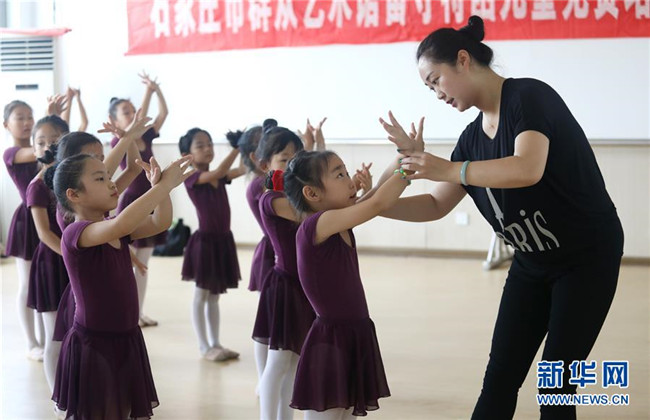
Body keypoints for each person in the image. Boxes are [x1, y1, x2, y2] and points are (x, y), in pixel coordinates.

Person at [378, 15, 623, 420]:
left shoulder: (528, 97)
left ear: (463, 60)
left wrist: (448, 169)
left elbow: (527, 167)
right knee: (499, 379)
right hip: (531, 262)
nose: (436, 94)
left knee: (555, 383)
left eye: (436, 81)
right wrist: (376, 206)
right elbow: (436, 204)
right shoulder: (471, 139)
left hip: (586, 258)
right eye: (429, 88)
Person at [50, 143, 194, 419]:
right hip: (95, 344)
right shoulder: (76, 233)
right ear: (74, 195)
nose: (111, 183)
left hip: (126, 338)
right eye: (100, 179)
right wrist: (163, 186)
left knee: (123, 409)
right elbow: (121, 225)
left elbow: (160, 222)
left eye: (109, 176)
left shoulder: (115, 227)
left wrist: (161, 188)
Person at [284, 137, 407, 419]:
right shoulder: (319, 224)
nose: (350, 180)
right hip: (331, 343)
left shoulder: (338, 218)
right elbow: (377, 202)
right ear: (312, 193)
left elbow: (374, 196)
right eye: (339, 175)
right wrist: (408, 170)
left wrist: (404, 155)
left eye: (347, 172)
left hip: (354, 334)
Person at [251, 121, 316, 420]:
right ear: (265, 164)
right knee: (277, 363)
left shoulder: (294, 194)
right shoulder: (271, 199)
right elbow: (312, 211)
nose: (291, 165)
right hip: (284, 287)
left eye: (295, 159)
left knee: (294, 362)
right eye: (284, 159)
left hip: (302, 286)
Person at [179, 127, 246, 361]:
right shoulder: (191, 177)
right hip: (205, 243)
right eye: (200, 145)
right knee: (201, 295)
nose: (207, 148)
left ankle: (215, 344)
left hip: (222, 241)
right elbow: (219, 171)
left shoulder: (218, 176)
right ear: (187, 155)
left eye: (209, 144)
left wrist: (249, 149)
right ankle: (203, 347)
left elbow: (242, 169)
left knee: (214, 297)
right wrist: (237, 147)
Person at [109, 71, 169, 327]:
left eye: (133, 110)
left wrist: (156, 90)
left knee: (143, 264)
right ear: (114, 120)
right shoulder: (119, 140)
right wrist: (148, 92)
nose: (132, 114)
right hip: (133, 202)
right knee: (128, 262)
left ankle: (138, 312)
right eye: (126, 112)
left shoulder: (145, 136)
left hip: (151, 200)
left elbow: (162, 114)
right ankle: (126, 312)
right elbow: (138, 121)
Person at [26, 116, 71, 398]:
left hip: (73, 262)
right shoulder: (37, 185)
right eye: (41, 142)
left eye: (54, 141)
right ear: (33, 148)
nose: (48, 146)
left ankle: (74, 388)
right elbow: (44, 233)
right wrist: (72, 256)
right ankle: (58, 397)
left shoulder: (71, 179)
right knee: (54, 336)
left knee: (74, 331)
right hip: (52, 264)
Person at [3, 100, 44, 360]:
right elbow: (41, 151)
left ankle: (45, 339)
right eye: (20, 117)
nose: (27, 122)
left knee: (44, 283)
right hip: (26, 222)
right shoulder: (11, 153)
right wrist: (53, 118)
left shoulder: (39, 146)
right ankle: (31, 343)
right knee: (27, 284)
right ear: (6, 125)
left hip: (46, 218)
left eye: (30, 116)